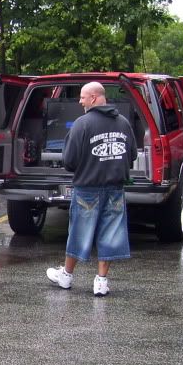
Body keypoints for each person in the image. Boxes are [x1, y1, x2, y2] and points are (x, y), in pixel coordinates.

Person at [46, 81, 137, 297]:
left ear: (94, 98)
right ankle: (101, 282)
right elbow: (131, 154)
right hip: (115, 188)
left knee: (79, 231)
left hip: (87, 188)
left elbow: (69, 160)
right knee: (110, 233)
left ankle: (66, 277)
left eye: (83, 97)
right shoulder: (123, 123)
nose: (80, 101)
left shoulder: (82, 124)